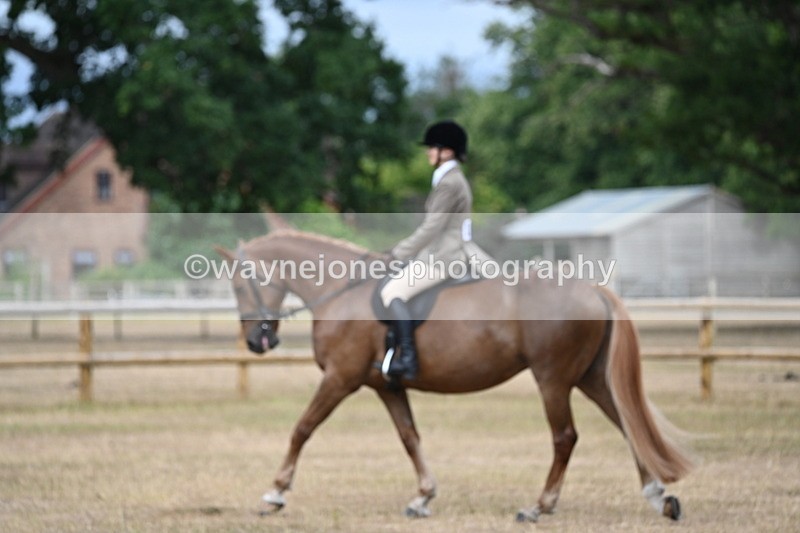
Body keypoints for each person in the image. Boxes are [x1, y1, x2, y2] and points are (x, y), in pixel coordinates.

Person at [381, 120, 481, 380]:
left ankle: (408, 360)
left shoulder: (449, 183)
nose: (428, 152)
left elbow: (431, 228)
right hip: (450, 251)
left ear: (446, 152)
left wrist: (398, 252)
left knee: (392, 291)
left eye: (432, 148)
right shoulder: (452, 179)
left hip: (443, 257)